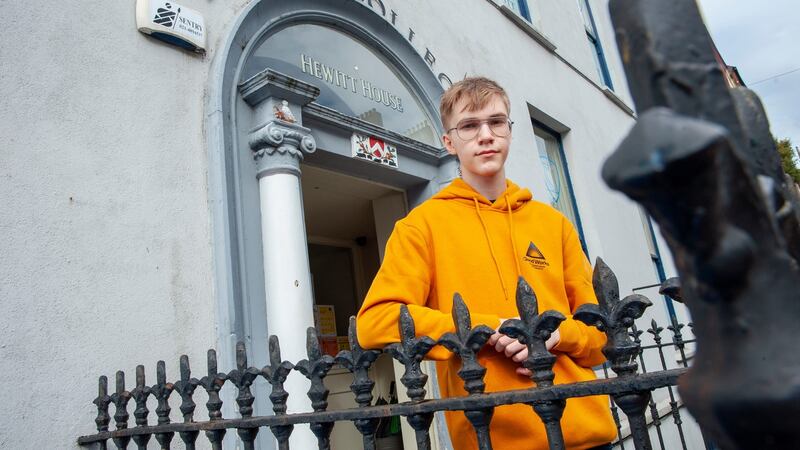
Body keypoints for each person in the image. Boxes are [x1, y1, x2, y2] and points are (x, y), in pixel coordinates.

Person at [356, 76, 617, 450]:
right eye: (469, 125)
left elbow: (601, 335)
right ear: (449, 142)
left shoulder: (553, 223)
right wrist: (485, 329)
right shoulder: (420, 226)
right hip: (491, 436)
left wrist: (558, 336)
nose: (485, 135)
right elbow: (375, 321)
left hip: (585, 434)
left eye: (496, 122)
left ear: (509, 131)